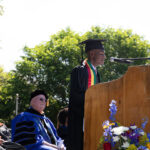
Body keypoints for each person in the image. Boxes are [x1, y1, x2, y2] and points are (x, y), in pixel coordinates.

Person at [68, 39, 106, 150]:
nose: (105, 57)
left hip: (94, 117)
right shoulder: (79, 71)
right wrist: (91, 106)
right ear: (92, 53)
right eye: (102, 54)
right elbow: (76, 97)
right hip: (80, 119)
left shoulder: (96, 73)